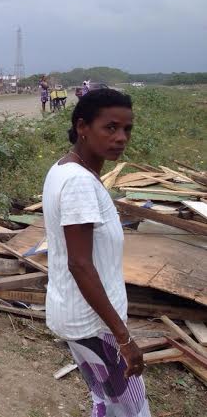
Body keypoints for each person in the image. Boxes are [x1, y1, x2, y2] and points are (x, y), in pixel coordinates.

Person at [42, 89, 149, 416]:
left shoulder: (65, 168)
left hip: (80, 318)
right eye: (111, 127)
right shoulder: (79, 183)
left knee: (105, 402)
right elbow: (80, 263)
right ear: (83, 126)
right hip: (95, 327)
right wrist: (124, 337)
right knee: (132, 411)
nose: (121, 138)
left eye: (126, 129)